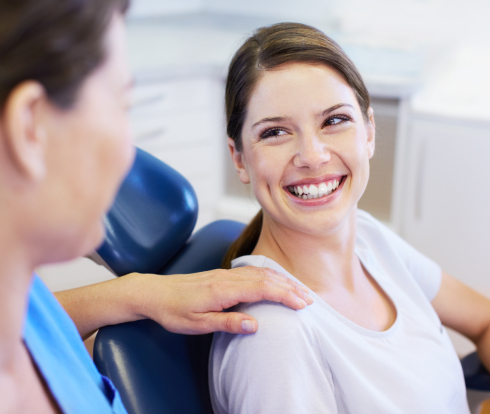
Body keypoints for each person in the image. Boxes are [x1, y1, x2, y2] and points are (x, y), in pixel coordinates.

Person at [0, 1, 314, 412]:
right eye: (121, 106)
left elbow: (39, 322)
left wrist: (135, 293)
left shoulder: (23, 299)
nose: (130, 157)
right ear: (30, 129)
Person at [209, 22, 490, 414]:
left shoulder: (371, 240)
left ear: (369, 131)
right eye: (275, 132)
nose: (312, 155)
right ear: (239, 157)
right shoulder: (274, 338)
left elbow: (484, 320)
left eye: (334, 120)